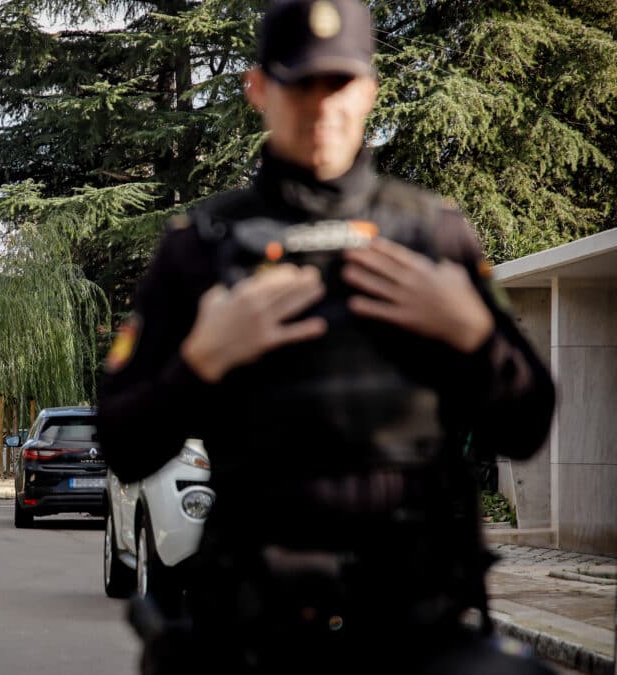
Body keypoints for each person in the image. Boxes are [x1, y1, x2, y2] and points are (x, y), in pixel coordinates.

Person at [95, 1, 556, 673]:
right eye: (299, 83)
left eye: (338, 84)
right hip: (258, 634)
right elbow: (124, 443)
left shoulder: (433, 234)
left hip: (419, 628)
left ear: (369, 90)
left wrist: (470, 332)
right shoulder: (201, 250)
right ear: (259, 89)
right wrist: (203, 358)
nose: (321, 106)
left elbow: (528, 425)